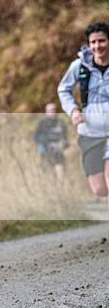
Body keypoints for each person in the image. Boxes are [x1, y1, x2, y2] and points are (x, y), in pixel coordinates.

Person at [58, 22, 109, 199]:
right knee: (99, 189)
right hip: (90, 133)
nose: (97, 46)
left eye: (102, 41)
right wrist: (73, 111)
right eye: (93, 42)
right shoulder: (79, 67)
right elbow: (63, 89)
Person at [33, 103, 68, 184]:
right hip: (45, 151)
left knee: (60, 169)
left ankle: (60, 186)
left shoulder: (60, 122)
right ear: (46, 112)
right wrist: (44, 141)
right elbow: (36, 136)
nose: (52, 112)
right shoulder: (42, 122)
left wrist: (65, 144)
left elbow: (65, 136)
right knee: (46, 171)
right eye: (50, 110)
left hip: (58, 151)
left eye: (54, 110)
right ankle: (46, 186)